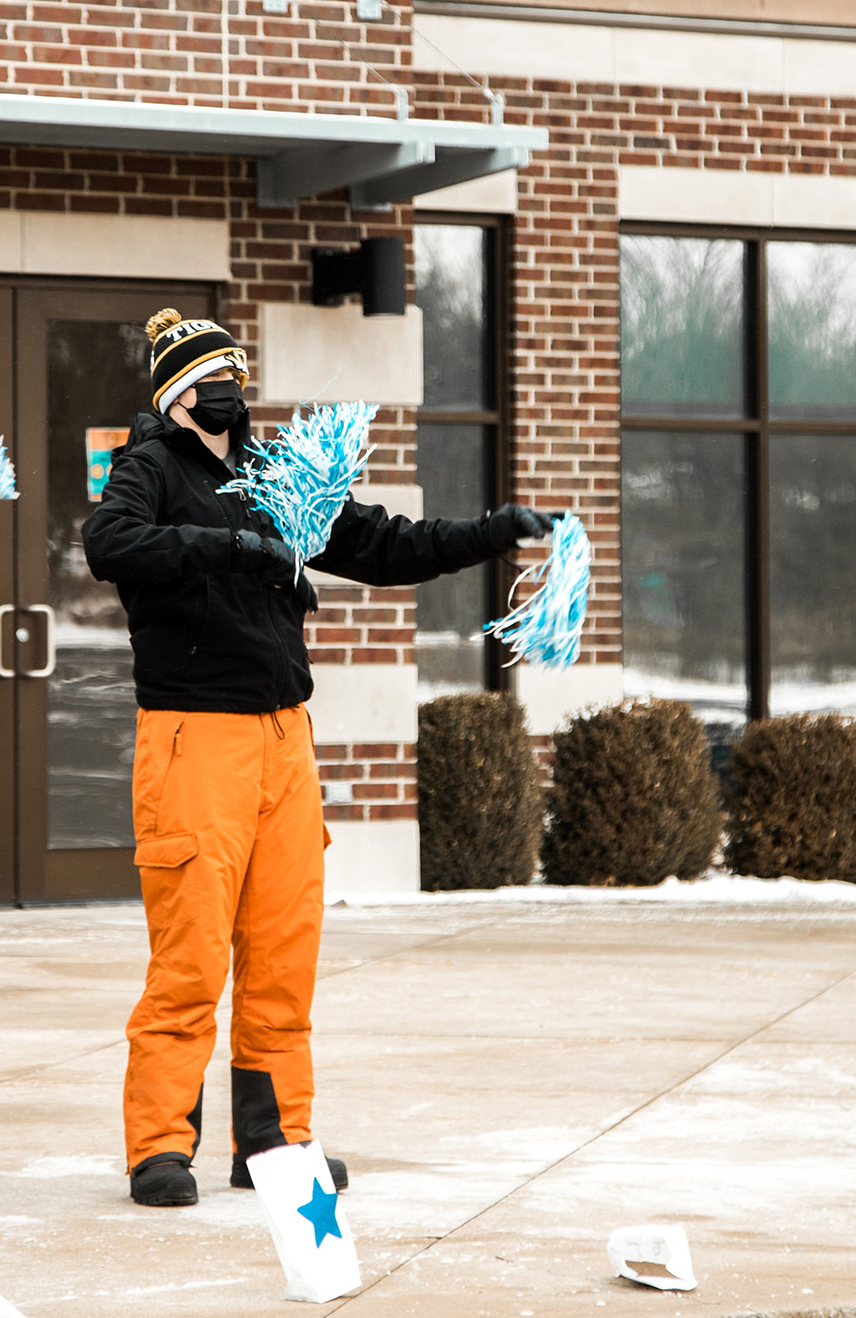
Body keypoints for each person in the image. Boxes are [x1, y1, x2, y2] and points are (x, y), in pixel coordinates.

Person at [81, 309, 557, 1207]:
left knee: (283, 954)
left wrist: (492, 532)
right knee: (190, 960)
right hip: (194, 739)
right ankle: (159, 1147)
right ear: (177, 392)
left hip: (282, 741)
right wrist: (232, 548)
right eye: (211, 376)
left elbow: (384, 545)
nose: (229, 390)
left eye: (236, 373)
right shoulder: (150, 467)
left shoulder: (273, 476)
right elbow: (110, 543)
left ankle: (273, 1141)